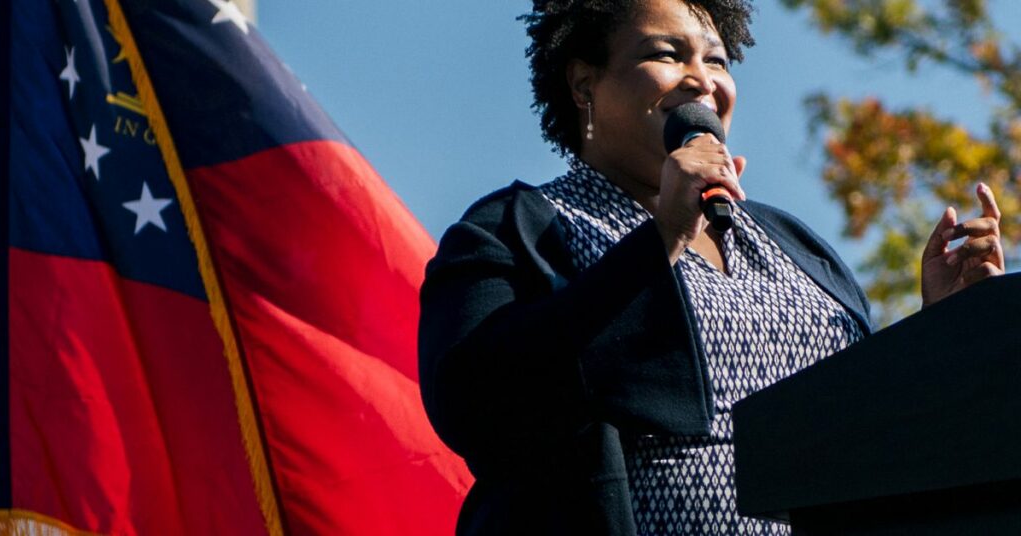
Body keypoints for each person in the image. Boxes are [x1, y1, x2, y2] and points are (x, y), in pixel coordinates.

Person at [417, 0, 1006, 534]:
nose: (701, 80)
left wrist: (938, 335)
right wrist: (661, 240)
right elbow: (472, 404)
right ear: (582, 84)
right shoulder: (513, 229)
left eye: (717, 61)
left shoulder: (800, 249)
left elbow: (865, 438)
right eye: (666, 54)